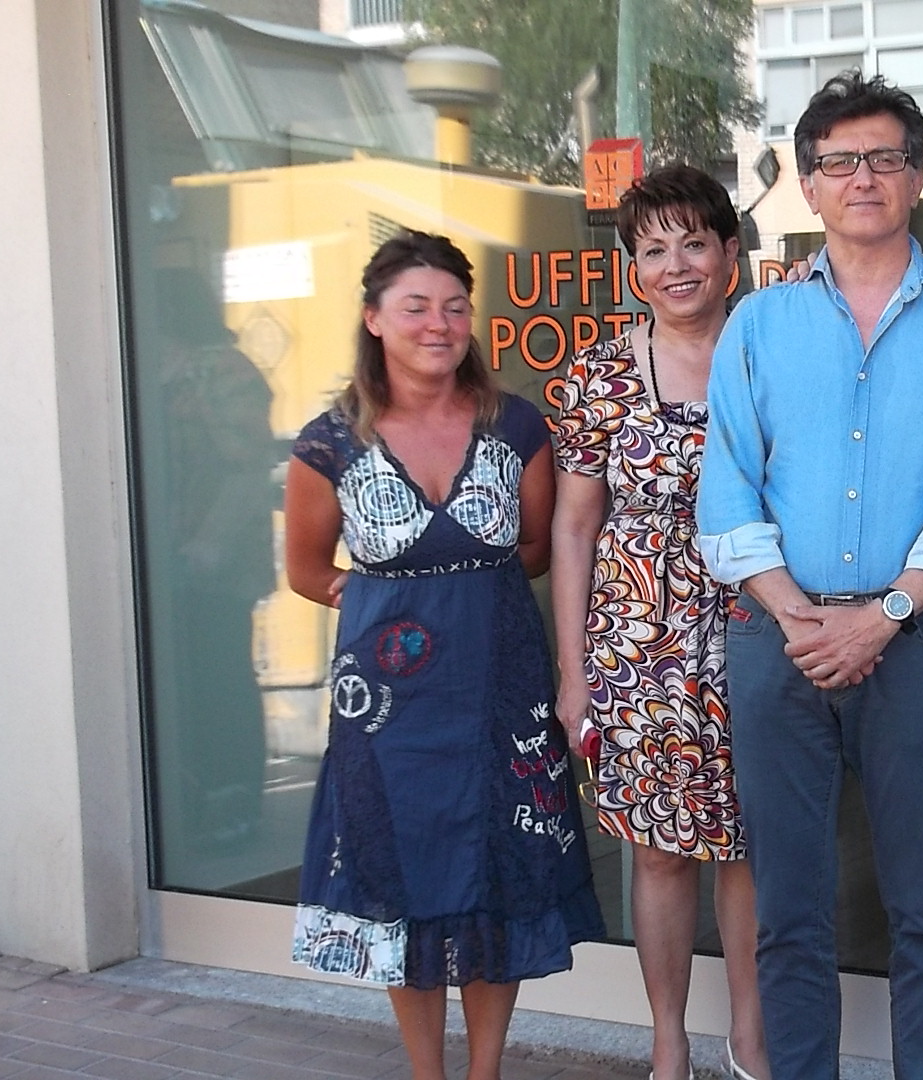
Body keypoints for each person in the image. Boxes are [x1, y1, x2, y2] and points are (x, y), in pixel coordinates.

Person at [698, 72, 923, 1080]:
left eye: (885, 158)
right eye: (839, 163)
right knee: (790, 912)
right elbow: (727, 491)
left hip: (918, 644)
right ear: (809, 187)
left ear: (918, 177)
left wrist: (881, 617)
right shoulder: (758, 324)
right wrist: (801, 617)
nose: (863, 178)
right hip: (777, 644)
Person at [284, 232, 604, 1080]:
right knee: (402, 882)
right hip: (388, 710)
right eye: (417, 306)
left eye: (455, 307)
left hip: (501, 685)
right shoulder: (328, 443)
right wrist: (385, 604)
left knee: (500, 876)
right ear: (373, 318)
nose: (439, 324)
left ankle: (483, 1071)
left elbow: (534, 549)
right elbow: (307, 571)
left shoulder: (518, 426)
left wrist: (448, 594)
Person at [550, 165, 768, 1080]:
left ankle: (752, 1039)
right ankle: (668, 1042)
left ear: (728, 253)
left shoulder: (771, 354)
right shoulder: (596, 374)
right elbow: (573, 527)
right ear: (632, 269)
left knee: (752, 848)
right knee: (662, 852)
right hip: (639, 645)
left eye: (693, 243)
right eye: (653, 249)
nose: (675, 265)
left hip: (759, 626)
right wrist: (574, 675)